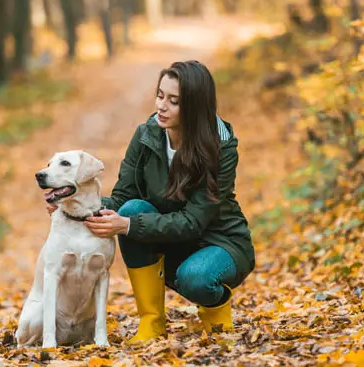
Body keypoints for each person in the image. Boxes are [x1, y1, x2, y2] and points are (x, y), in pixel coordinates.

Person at [49, 60, 255, 343]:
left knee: (195, 277)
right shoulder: (146, 136)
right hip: (171, 239)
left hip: (221, 242)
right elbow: (123, 197)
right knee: (131, 209)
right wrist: (74, 202)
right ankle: (152, 322)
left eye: (174, 101)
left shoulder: (219, 148)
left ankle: (216, 311)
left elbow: (194, 221)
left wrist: (127, 226)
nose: (162, 106)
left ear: (194, 107)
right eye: (160, 96)